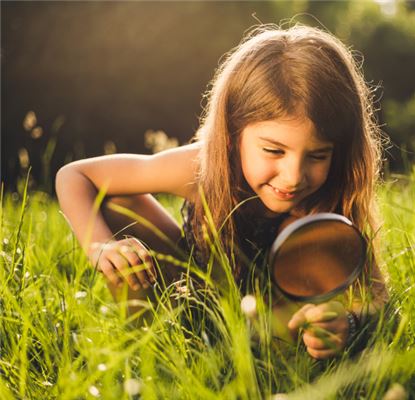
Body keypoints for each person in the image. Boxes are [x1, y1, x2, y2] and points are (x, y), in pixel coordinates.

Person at [55, 23, 388, 360]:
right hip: (194, 296)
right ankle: (147, 351)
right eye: (273, 151)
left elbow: (376, 298)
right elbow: (75, 175)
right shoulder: (202, 168)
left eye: (318, 155)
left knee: (305, 242)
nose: (293, 177)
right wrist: (101, 247)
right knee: (120, 200)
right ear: (231, 136)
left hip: (275, 323)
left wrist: (345, 321)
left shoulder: (332, 199)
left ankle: (271, 355)